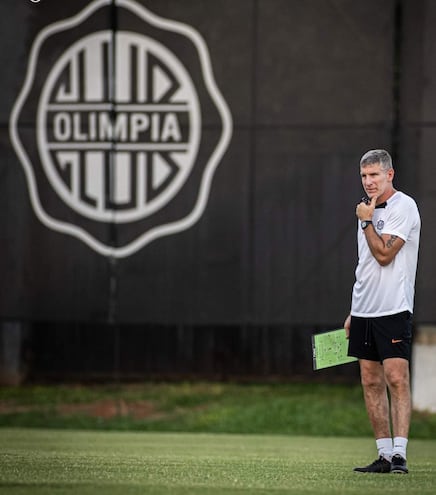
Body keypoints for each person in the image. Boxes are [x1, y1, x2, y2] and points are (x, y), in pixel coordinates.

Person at [344, 149, 421, 474]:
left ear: (389, 175)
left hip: (393, 308)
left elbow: (384, 256)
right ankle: (384, 455)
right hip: (363, 308)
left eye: (374, 175)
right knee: (370, 381)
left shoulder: (404, 206)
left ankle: (401, 454)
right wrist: (352, 310)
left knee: (396, 378)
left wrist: (366, 222)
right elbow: (365, 265)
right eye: (364, 176)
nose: (369, 181)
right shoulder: (366, 208)